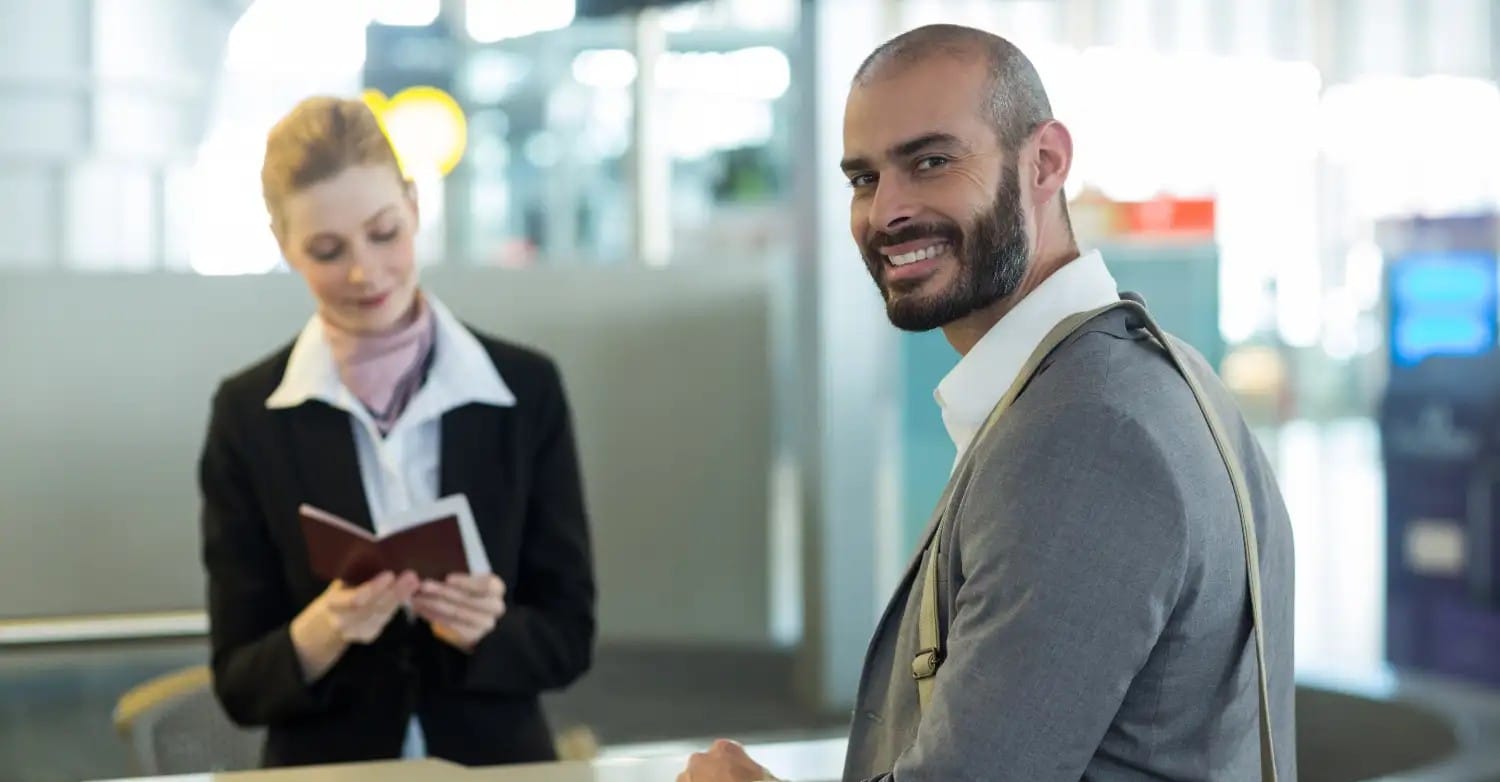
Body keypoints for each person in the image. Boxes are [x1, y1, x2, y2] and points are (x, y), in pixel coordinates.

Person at [680, 24, 1296, 782]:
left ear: (1044, 162)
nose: (885, 213)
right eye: (864, 179)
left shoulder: (1088, 434)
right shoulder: (1162, 374)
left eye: (931, 161)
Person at [198, 96, 596, 768]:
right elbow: (239, 684)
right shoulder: (249, 415)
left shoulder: (525, 391)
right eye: (327, 250)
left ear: (413, 205)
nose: (365, 272)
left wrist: (485, 631)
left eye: (384, 232)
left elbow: (569, 639)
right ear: (283, 245)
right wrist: (322, 632)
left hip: (496, 764)